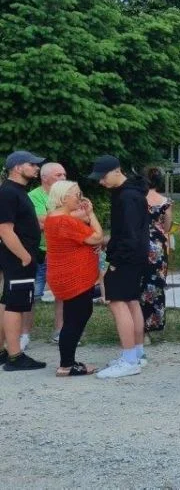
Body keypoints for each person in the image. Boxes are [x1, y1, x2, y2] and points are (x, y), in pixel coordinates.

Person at [88, 155, 151, 378]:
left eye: (103, 177)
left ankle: (129, 359)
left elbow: (129, 234)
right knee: (132, 302)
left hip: (126, 257)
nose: (100, 182)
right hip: (135, 256)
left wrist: (114, 257)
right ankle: (137, 353)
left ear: (117, 171)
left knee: (118, 303)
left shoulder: (127, 197)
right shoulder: (130, 193)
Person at [43, 180, 103, 376]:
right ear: (63, 198)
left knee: (73, 316)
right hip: (74, 277)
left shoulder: (54, 217)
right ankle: (67, 365)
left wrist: (85, 210)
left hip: (63, 274)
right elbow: (97, 237)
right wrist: (92, 214)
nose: (80, 197)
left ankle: (68, 361)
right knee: (75, 319)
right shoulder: (65, 221)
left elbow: (77, 221)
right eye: (76, 194)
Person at [0, 150, 48, 370]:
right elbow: (5, 229)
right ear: (18, 167)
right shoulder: (9, 193)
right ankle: (15, 357)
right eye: (33, 164)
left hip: (20, 257)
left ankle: (3, 350)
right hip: (18, 258)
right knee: (16, 305)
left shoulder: (18, 191)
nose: (37, 168)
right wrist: (25, 256)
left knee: (7, 301)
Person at [27, 161, 65, 344]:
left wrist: (53, 219)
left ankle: (60, 332)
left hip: (62, 252)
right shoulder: (33, 196)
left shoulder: (68, 194)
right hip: (40, 252)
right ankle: (24, 335)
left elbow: (82, 219)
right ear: (44, 177)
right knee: (31, 295)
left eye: (64, 175)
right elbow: (39, 223)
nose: (64, 178)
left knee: (62, 294)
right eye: (59, 175)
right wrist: (65, 217)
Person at [142, 167, 172, 335]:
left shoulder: (138, 199)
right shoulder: (165, 201)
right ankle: (155, 323)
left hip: (139, 244)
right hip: (158, 247)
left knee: (140, 285)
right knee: (157, 286)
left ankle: (139, 324)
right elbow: (167, 226)